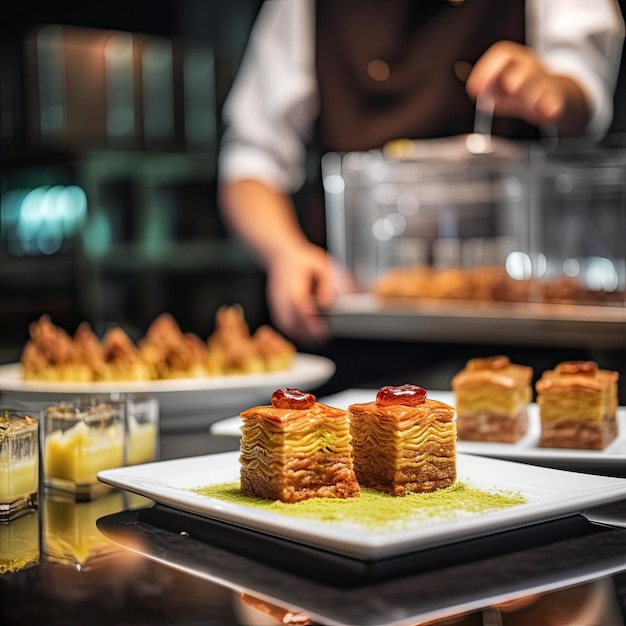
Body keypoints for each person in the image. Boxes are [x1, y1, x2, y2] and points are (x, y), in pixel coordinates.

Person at [218, 0, 625, 343]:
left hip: (521, 324)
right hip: (363, 324)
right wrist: (286, 253)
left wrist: (552, 88)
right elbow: (251, 158)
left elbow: (584, 90)